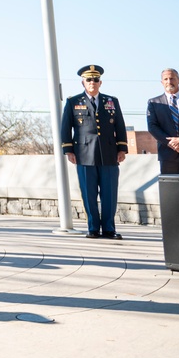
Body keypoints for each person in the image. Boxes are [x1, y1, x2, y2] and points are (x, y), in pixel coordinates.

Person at [60, 65, 128, 240]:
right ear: (83, 82)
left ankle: (109, 229)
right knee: (88, 193)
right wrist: (68, 150)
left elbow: (119, 126)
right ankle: (92, 228)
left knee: (109, 193)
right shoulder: (73, 101)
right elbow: (66, 127)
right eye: (89, 79)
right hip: (84, 154)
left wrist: (122, 148)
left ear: (100, 82)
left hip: (109, 153)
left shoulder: (111, 101)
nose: (92, 82)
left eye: (95, 79)